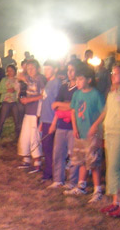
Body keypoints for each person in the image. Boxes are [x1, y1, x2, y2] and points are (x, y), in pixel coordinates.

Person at [89, 64, 120, 218]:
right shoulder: (111, 93)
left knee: (115, 170)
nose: (113, 76)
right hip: (109, 132)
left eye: (117, 73)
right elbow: (106, 112)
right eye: (113, 73)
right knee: (111, 168)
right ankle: (116, 202)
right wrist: (96, 126)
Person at [64, 64, 105, 202]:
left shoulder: (95, 94)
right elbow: (73, 111)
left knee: (93, 162)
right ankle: (81, 186)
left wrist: (95, 125)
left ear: (89, 80)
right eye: (76, 80)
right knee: (81, 160)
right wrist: (75, 128)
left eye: (80, 79)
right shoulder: (77, 94)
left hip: (92, 135)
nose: (77, 83)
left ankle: (97, 189)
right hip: (80, 133)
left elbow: (104, 111)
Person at [47, 60, 81, 189]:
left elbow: (75, 107)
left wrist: (65, 106)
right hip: (61, 125)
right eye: (68, 70)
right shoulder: (63, 87)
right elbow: (55, 105)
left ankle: (72, 181)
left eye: (72, 70)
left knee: (74, 155)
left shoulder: (79, 89)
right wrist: (54, 124)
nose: (70, 73)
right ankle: (58, 179)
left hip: (74, 127)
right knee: (58, 153)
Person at [17, 59, 45, 173]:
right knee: (25, 135)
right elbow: (19, 76)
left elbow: (43, 95)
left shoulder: (40, 79)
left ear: (38, 68)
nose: (30, 70)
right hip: (28, 111)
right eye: (28, 68)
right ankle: (26, 158)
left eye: (32, 68)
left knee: (35, 136)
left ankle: (37, 161)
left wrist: (29, 100)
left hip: (36, 111)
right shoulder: (29, 79)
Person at [39, 60, 61, 182]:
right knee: (46, 147)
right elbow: (45, 103)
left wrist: (54, 122)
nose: (46, 71)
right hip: (46, 119)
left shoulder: (56, 83)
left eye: (48, 69)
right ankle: (48, 171)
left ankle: (50, 173)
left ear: (55, 69)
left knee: (50, 148)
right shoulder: (49, 83)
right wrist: (42, 121)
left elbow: (57, 104)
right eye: (45, 69)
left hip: (52, 120)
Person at [0, 64, 21, 139]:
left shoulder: (17, 80)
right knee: (2, 119)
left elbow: (19, 91)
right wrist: (7, 90)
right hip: (6, 101)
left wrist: (15, 91)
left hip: (14, 102)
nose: (10, 72)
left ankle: (18, 136)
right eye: (8, 71)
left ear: (15, 71)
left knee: (17, 120)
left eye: (11, 71)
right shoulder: (4, 80)